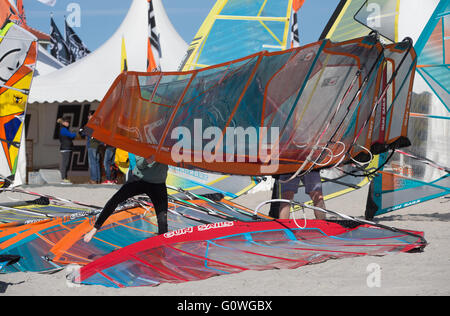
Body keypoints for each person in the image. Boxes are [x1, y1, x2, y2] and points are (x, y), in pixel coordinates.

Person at [84, 155, 168, 242]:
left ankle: (163, 243)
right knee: (115, 200)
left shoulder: (167, 145)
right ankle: (95, 229)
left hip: (158, 183)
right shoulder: (144, 144)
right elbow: (139, 164)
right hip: (139, 180)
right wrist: (149, 159)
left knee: (162, 218)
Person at [80, 111, 101, 184]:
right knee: (96, 162)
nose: (88, 117)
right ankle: (98, 179)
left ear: (93, 116)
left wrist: (82, 130)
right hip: (97, 145)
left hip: (92, 145)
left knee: (92, 163)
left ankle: (93, 179)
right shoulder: (98, 124)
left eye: (89, 115)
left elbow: (83, 133)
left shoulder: (91, 124)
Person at [57, 116, 76, 184]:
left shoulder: (63, 129)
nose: (68, 123)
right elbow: (71, 135)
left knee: (66, 164)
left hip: (66, 148)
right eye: (67, 122)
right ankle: (63, 178)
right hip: (65, 149)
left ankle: (65, 178)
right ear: (63, 122)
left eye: (69, 122)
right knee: (65, 164)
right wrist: (75, 133)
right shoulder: (63, 129)